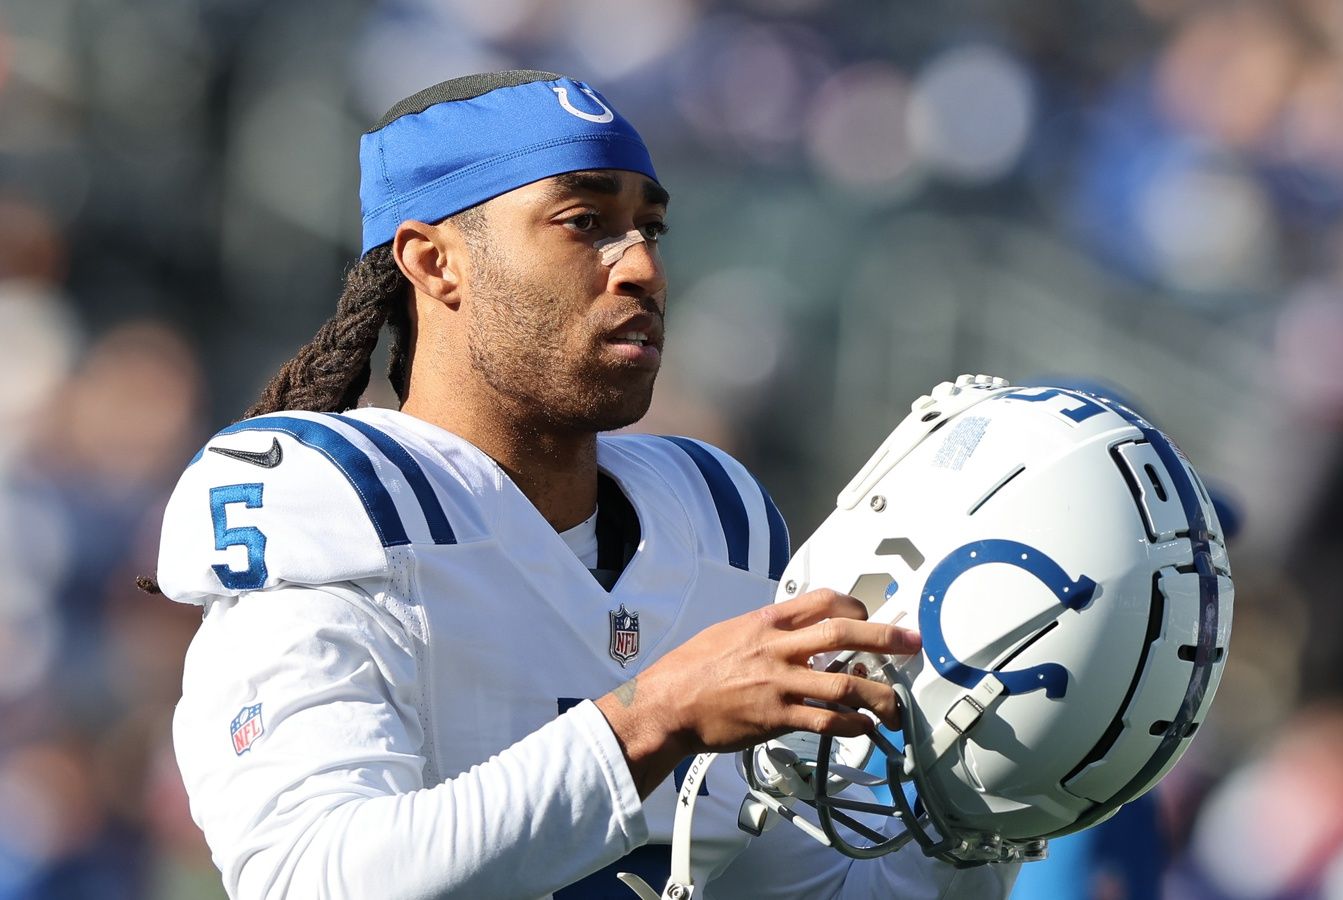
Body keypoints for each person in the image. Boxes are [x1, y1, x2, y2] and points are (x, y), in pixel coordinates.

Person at [149, 70, 1018, 899]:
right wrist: (656, 714)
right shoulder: (336, 503)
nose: (643, 267)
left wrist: (998, 802)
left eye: (651, 228)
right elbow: (316, 877)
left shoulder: (715, 521)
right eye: (583, 221)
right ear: (434, 261)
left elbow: (814, 889)